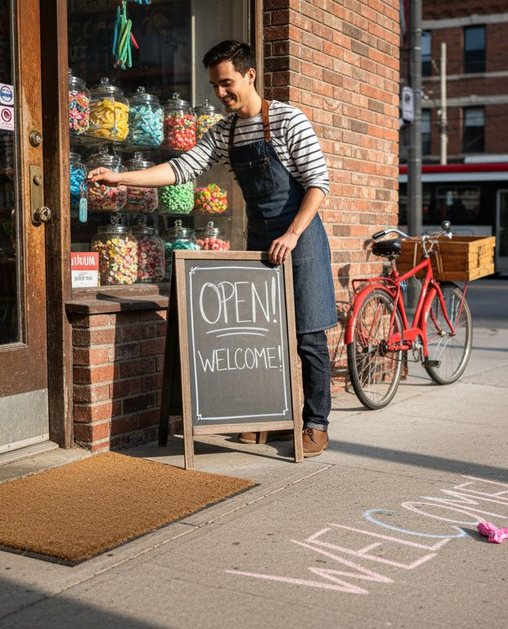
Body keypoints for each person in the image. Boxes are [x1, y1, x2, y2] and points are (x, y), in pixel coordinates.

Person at [87, 40, 337, 457]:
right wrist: (121, 179)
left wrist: (292, 234)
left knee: (308, 334)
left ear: (249, 75)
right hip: (260, 239)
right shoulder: (226, 131)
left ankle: (315, 424)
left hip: (301, 236)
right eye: (215, 86)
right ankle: (269, 419)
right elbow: (181, 168)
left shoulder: (290, 120)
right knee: (265, 336)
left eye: (227, 83)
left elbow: (318, 185)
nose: (221, 94)